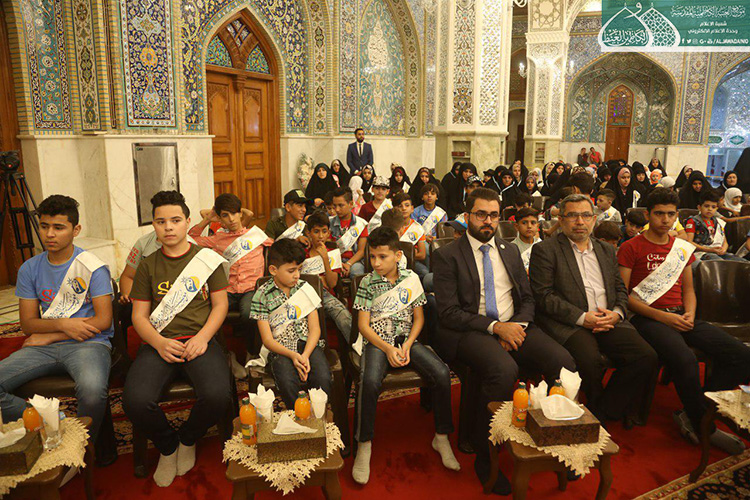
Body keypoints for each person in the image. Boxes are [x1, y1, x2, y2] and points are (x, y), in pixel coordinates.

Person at [432, 188, 576, 494]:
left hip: (516, 324)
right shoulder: (447, 255)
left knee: (563, 363)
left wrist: (515, 327)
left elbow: (527, 298)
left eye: (494, 215)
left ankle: (557, 440)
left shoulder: (509, 250)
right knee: (503, 370)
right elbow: (448, 312)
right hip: (470, 330)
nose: (488, 221)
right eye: (481, 214)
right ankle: (486, 457)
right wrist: (497, 328)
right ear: (467, 216)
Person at [618, 187, 750, 454]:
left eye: (670, 214)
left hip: (681, 314)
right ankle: (704, 425)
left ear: (676, 215)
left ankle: (697, 410)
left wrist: (689, 313)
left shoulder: (681, 249)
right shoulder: (630, 247)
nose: (665, 220)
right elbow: (624, 297)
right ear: (648, 215)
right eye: (659, 214)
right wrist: (663, 317)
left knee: (741, 355)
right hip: (647, 318)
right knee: (685, 360)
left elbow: (689, 289)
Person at [124, 191, 231, 487]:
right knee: (135, 400)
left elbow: (220, 305)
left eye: (175, 220)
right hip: (159, 343)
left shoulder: (207, 260)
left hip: (199, 340)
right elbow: (138, 317)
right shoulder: (147, 265)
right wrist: (158, 343)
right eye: (161, 222)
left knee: (218, 395)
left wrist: (203, 337)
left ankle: (188, 438)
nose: (168, 227)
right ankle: (168, 445)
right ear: (154, 226)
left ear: (187, 222)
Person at [529, 194, 657, 426]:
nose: (580, 221)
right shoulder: (546, 250)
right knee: (589, 361)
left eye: (586, 215)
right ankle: (596, 409)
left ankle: (603, 411)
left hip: (608, 318)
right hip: (571, 323)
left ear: (594, 219)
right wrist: (582, 318)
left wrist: (617, 313)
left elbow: (620, 288)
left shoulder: (606, 250)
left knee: (646, 356)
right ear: (561, 219)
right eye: (572, 215)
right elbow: (544, 296)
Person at [0, 195, 113, 444]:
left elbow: (103, 321)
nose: (49, 234)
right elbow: (28, 323)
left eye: (59, 227)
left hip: (89, 343)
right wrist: (62, 325)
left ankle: (80, 448)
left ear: (76, 230)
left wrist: (52, 334)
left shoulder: (92, 267)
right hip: (44, 347)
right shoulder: (29, 268)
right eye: (44, 226)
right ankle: (55, 423)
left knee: (93, 392)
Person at [351, 227, 459, 485]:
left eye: (382, 257)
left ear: (398, 255)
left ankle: (441, 437)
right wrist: (388, 348)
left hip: (406, 339)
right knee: (369, 380)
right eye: (372, 257)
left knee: (441, 373)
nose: (376, 263)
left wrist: (408, 344)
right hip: (377, 341)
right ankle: (364, 443)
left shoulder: (412, 278)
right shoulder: (367, 283)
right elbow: (363, 326)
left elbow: (419, 318)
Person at [188, 193, 272, 376]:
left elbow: (279, 246)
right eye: (225, 215)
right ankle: (227, 355)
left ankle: (252, 352)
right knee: (208, 313)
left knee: (249, 312)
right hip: (227, 289)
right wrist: (207, 219)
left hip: (251, 289)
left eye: (234, 213)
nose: (231, 219)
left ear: (240, 213)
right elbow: (190, 239)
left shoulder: (255, 235)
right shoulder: (217, 238)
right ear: (219, 218)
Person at [250, 239, 332, 408]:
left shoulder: (305, 288)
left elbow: (315, 329)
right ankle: (299, 416)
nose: (297, 275)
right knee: (286, 381)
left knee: (323, 378)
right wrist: (293, 355)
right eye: (291, 270)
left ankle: (319, 415)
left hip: (308, 345)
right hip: (280, 349)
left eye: (299, 269)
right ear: (273, 270)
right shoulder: (262, 295)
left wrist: (305, 355)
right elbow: (267, 340)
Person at [685, 190, 747, 265]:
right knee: (721, 264)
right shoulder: (692, 221)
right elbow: (689, 242)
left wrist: (724, 249)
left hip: (719, 252)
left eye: (713, 207)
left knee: (743, 263)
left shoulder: (718, 221)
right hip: (702, 253)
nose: (710, 209)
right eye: (706, 206)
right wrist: (710, 249)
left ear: (717, 208)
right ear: (699, 207)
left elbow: (725, 241)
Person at [329, 186, 368, 277]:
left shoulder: (360, 224)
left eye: (341, 205)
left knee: (356, 271)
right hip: (334, 260)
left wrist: (348, 264)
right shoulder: (329, 223)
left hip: (354, 261)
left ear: (351, 204)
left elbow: (361, 251)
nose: (337, 209)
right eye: (335, 206)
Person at [393, 193, 429, 280]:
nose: (404, 208)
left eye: (407, 205)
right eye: (400, 206)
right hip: (391, 261)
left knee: (424, 272)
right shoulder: (389, 225)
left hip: (411, 261)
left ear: (412, 209)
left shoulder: (417, 228)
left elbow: (422, 255)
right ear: (394, 209)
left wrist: (405, 254)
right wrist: (411, 251)